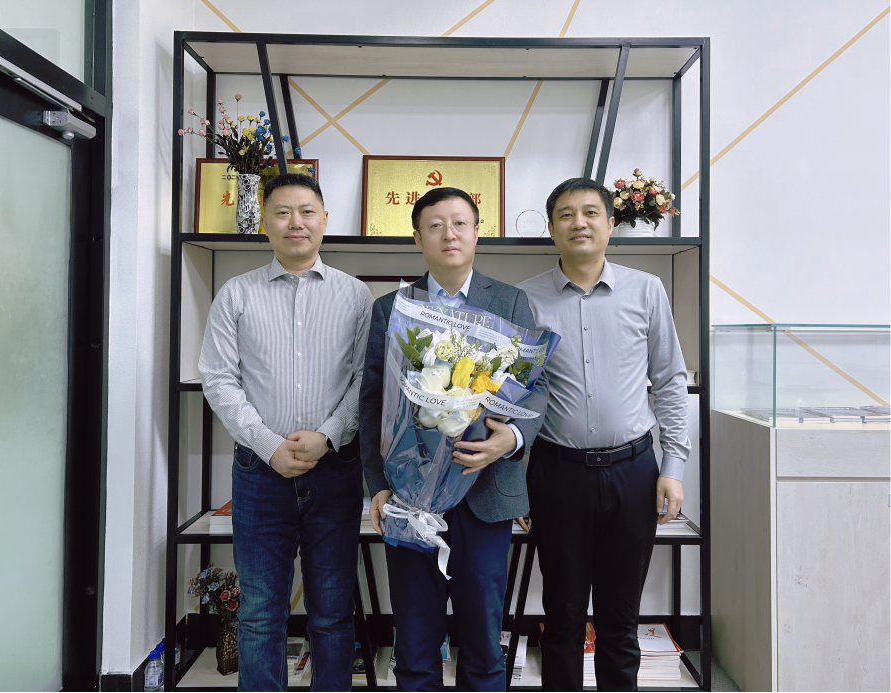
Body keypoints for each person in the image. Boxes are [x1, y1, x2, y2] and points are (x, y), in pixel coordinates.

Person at [360, 187, 548, 692]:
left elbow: (537, 386)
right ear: (417, 237)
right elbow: (373, 402)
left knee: (484, 642)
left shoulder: (509, 300)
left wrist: (509, 438)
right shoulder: (392, 308)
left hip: (486, 491)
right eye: (436, 225)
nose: (449, 234)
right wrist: (378, 484)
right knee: (414, 641)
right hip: (410, 496)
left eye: (460, 223)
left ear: (476, 233)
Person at [199, 173, 374, 692]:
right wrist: (268, 444)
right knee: (259, 612)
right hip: (260, 472)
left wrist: (328, 434)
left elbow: (365, 381)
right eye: (282, 212)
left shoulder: (355, 296)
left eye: (306, 211)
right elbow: (218, 378)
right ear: (264, 223)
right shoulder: (236, 294)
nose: (295, 222)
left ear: (324, 220)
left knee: (333, 610)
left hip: (335, 469)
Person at [518, 178, 690, 691]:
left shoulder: (646, 290)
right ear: (552, 230)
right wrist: (517, 480)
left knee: (621, 618)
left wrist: (673, 467)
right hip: (556, 474)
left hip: (633, 472)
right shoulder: (525, 299)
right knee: (563, 615)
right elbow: (512, 396)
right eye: (566, 215)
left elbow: (670, 381)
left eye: (591, 212)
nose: (580, 223)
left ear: (611, 223)